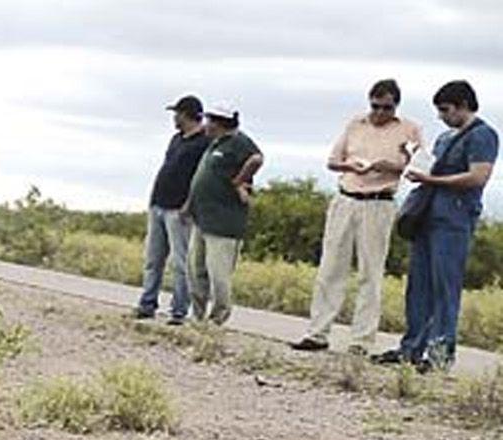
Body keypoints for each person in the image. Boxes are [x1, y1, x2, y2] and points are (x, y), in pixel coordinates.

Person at [292, 80, 422, 355]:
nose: (379, 113)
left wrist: (393, 166)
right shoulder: (355, 124)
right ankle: (317, 332)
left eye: (386, 108)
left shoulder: (409, 129)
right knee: (331, 268)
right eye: (375, 106)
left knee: (370, 272)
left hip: (378, 202)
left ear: (395, 105)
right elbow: (332, 160)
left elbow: (419, 165)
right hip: (347, 197)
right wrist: (350, 165)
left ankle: (361, 340)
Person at [375, 80, 497, 371]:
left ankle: (440, 352)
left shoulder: (483, 136)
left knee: (445, 286)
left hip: (454, 218)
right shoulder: (443, 139)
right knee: (418, 286)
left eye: (445, 110)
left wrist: (431, 180)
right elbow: (429, 168)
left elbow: (478, 177)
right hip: (428, 217)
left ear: (463, 106)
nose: (442, 117)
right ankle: (412, 348)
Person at [184, 103, 264, 325]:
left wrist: (239, 181)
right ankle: (197, 316)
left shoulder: (238, 142)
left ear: (219, 123)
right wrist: (188, 205)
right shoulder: (215, 144)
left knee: (218, 274)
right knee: (195, 269)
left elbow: (257, 159)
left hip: (224, 222)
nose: (206, 125)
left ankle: (218, 317)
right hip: (202, 218)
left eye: (209, 120)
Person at [134, 95, 210, 324]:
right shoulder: (176, 139)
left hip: (179, 208)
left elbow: (201, 178)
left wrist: (190, 204)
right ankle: (147, 303)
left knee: (180, 261)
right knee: (153, 258)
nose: (175, 118)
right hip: (159, 202)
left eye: (178, 113)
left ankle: (179, 309)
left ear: (187, 115)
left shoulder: (203, 143)